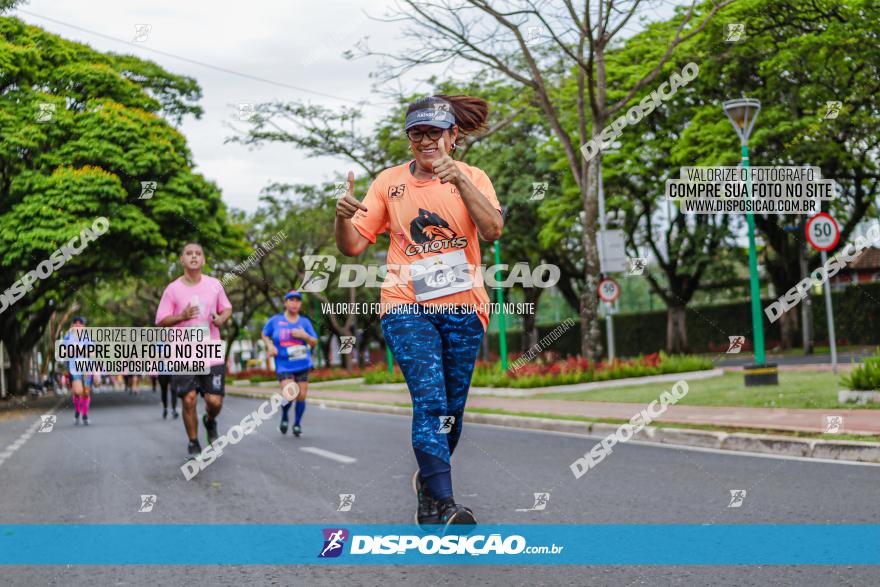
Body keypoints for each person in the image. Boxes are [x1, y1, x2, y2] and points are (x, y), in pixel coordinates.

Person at [334, 95, 503, 530]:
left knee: (453, 410)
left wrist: (459, 182)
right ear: (409, 138)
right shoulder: (388, 183)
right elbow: (352, 246)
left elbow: (493, 229)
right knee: (430, 401)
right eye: (417, 133)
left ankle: (429, 490)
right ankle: (447, 504)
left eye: (434, 132)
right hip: (405, 304)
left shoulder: (474, 177)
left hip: (465, 307)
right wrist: (341, 217)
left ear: (453, 135)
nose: (425, 140)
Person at [155, 243, 232, 457]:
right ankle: (193, 441)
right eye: (189, 254)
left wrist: (220, 319)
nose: (194, 256)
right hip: (182, 352)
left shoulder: (215, 285)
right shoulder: (172, 289)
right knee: (188, 399)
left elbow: (227, 308)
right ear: (182, 260)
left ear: (204, 260)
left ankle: (210, 420)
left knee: (214, 401)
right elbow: (160, 321)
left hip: (210, 351)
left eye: (198, 253)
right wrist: (181, 316)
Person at [261, 290, 317, 437]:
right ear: (285, 303)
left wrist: (305, 335)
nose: (294, 303)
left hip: (303, 363)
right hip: (284, 364)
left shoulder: (305, 322)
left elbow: (314, 341)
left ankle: (297, 424)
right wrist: (270, 346)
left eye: (297, 300)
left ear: (300, 304)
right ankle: (285, 415)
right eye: (291, 300)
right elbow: (264, 333)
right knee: (290, 394)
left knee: (302, 395)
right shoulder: (275, 320)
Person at [64, 316, 94, 425]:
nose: (78, 325)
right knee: (78, 392)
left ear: (84, 326)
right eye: (75, 323)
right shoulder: (68, 337)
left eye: (80, 323)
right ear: (72, 325)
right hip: (74, 368)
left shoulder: (88, 338)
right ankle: (77, 411)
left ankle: (85, 415)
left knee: (86, 392)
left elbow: (93, 353)